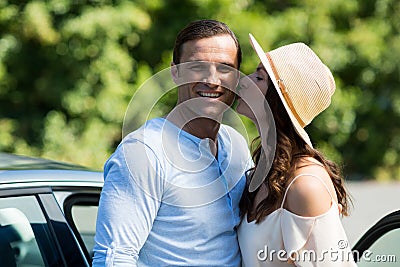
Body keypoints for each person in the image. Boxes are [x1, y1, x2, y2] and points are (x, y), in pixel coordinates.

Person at [92, 20, 252, 266]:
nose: (212, 79)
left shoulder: (237, 145)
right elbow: (114, 257)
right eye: (198, 67)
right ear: (174, 73)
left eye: (224, 68)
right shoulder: (143, 153)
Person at [236, 34, 357, 266]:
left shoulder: (305, 185)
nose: (245, 80)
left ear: (278, 102)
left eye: (259, 77)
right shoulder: (264, 170)